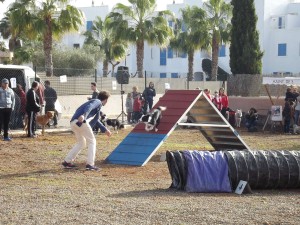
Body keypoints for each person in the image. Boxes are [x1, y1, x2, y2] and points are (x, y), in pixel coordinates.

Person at [62, 91, 112, 171]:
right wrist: (84, 115)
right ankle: (90, 164)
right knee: (92, 141)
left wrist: (104, 129)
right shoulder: (97, 101)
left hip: (74, 123)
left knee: (81, 143)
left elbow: (96, 120)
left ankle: (67, 161)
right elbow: (89, 106)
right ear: (105, 99)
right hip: (81, 122)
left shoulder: (97, 106)